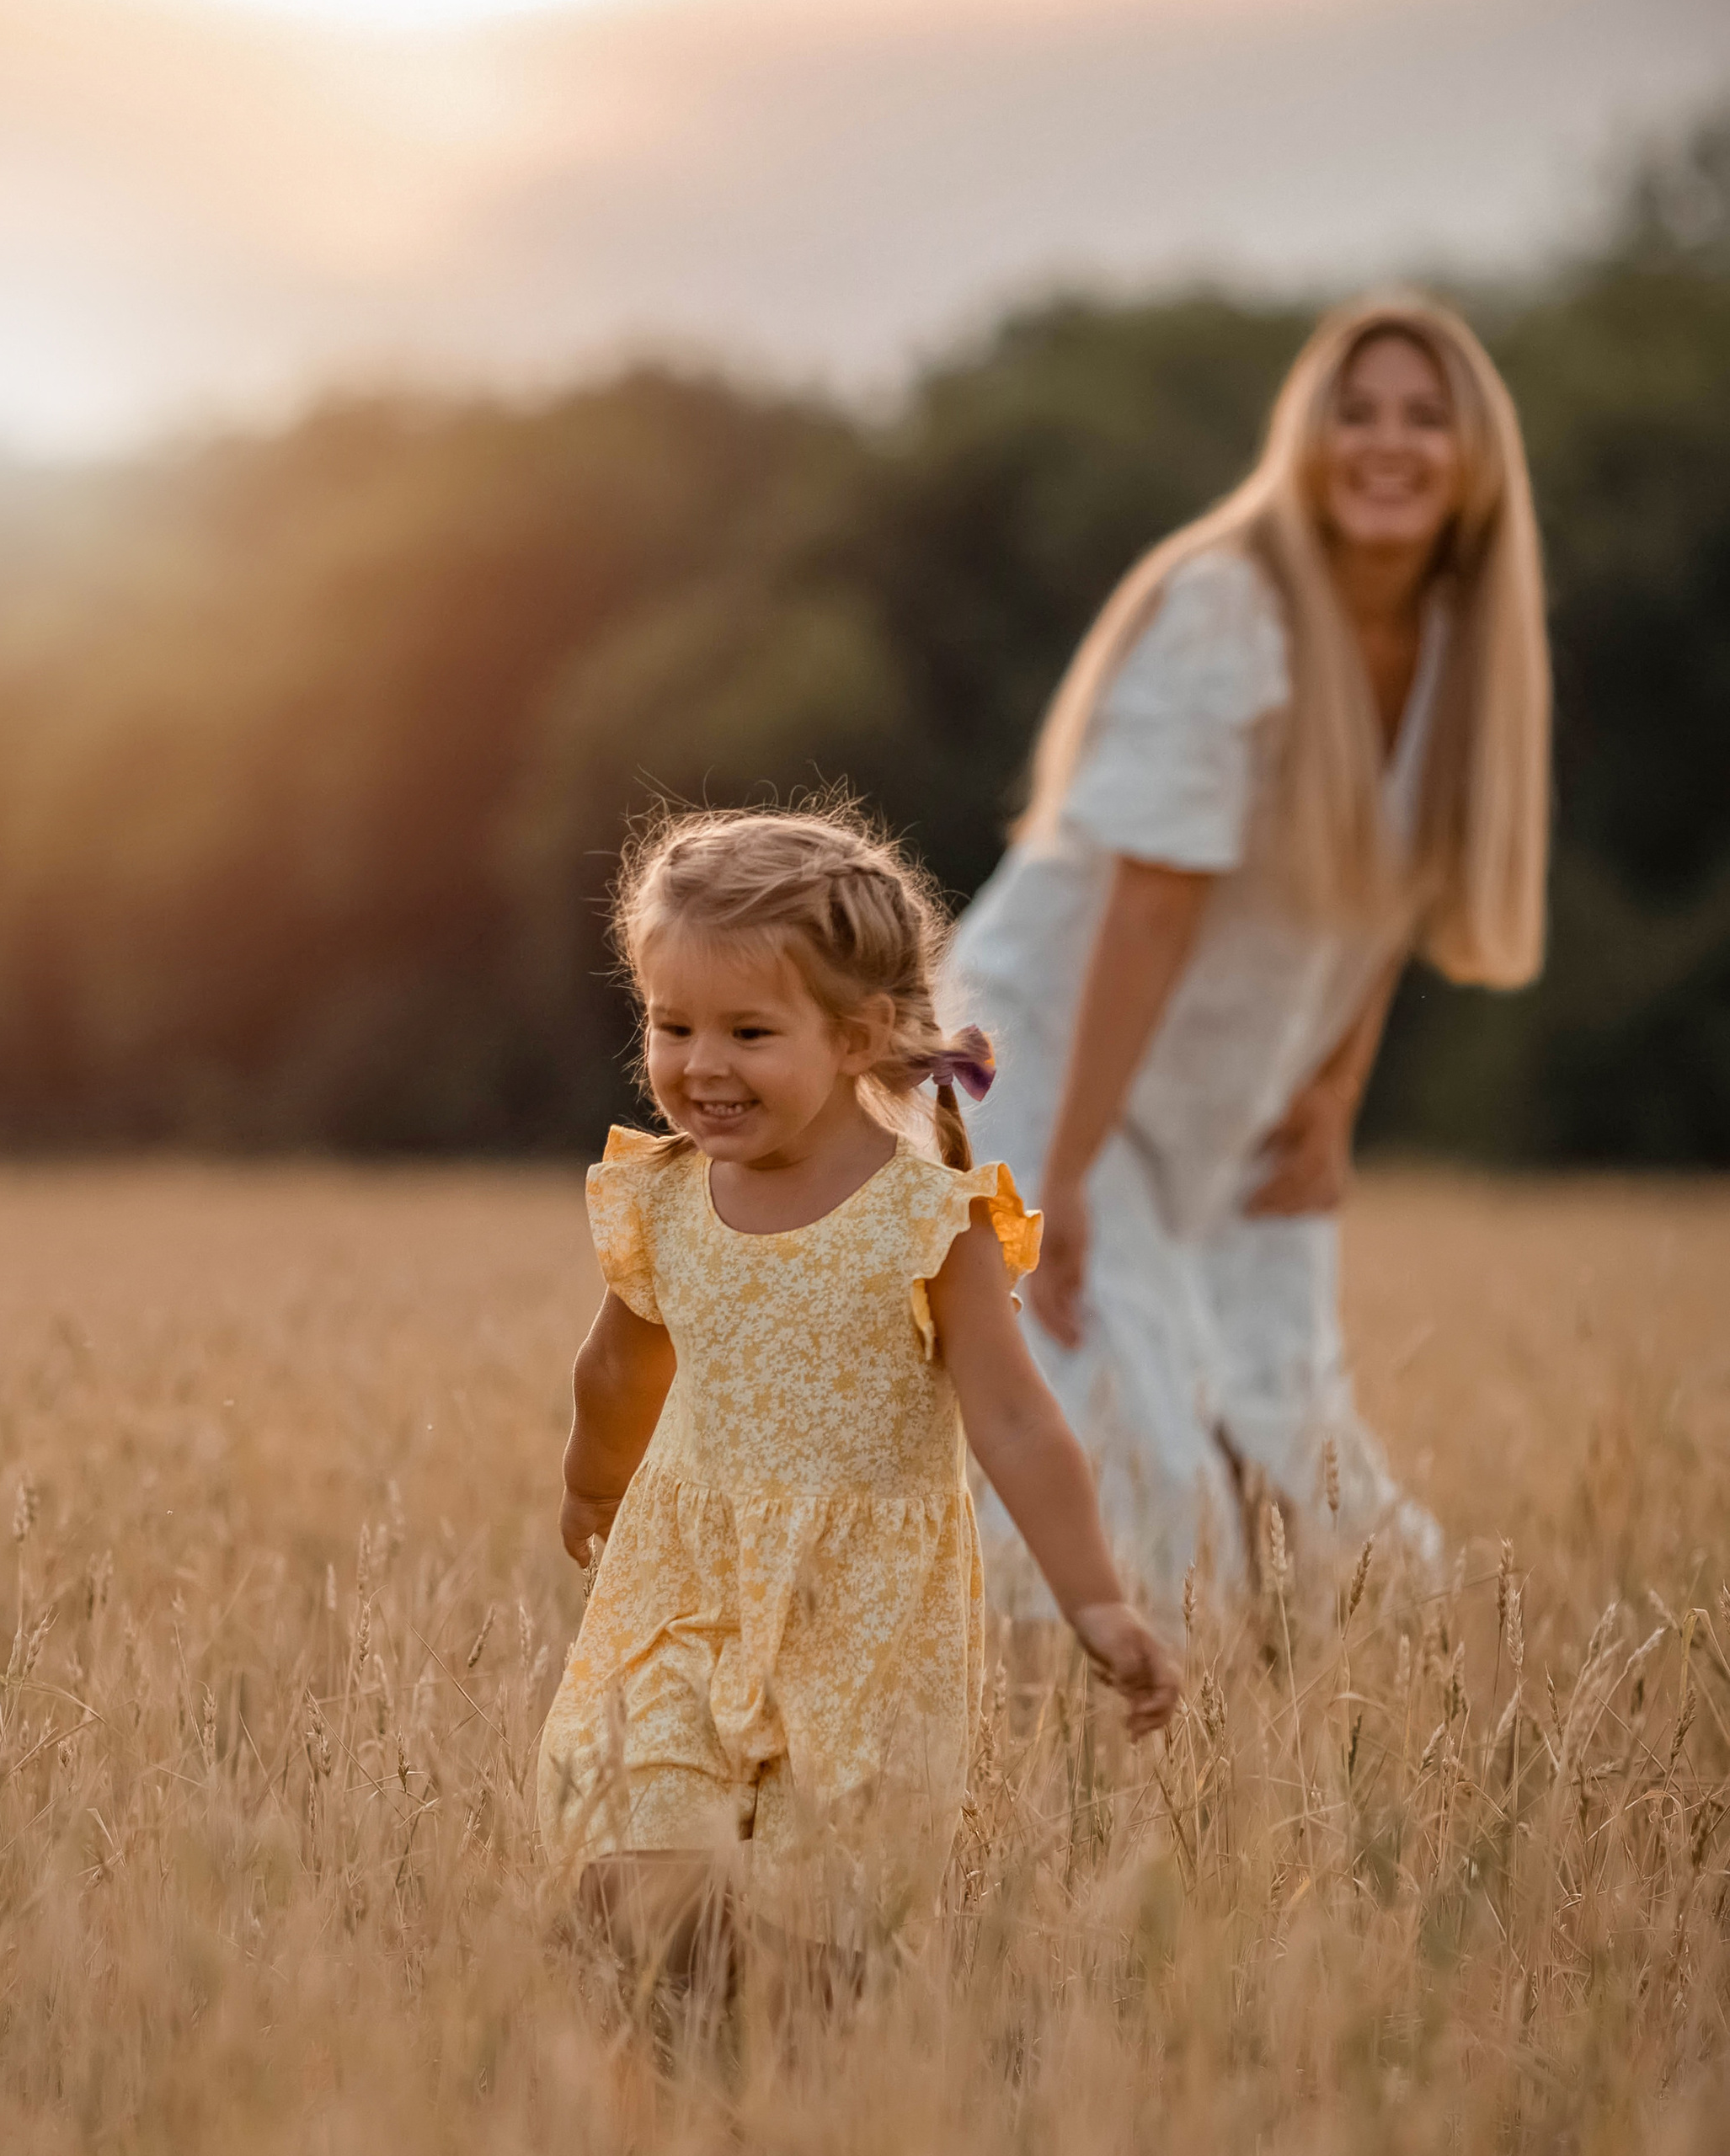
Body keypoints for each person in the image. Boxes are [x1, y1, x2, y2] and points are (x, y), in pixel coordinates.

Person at [949, 292, 1551, 1607]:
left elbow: (1380, 910)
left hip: (1232, 1094)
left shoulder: (1464, 653)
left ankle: (1293, 1734)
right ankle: (1041, 1759)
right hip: (1046, 1067)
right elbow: (1150, 908)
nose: (1388, 443)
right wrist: (1059, 1177)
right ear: (1307, 440)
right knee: (1127, 1451)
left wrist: (1331, 1099)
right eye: (1357, 411)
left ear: (1475, 458)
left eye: (1424, 416)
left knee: (1304, 1450)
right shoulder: (1230, 608)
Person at [536, 806, 1178, 1986]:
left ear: (859, 1037)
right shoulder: (664, 1198)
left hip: (866, 1617)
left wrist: (1096, 1603)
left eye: (747, 1030)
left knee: (814, 1920)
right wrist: (591, 1482)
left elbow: (1019, 1420)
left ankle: (800, 2066)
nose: (700, 1064)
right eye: (671, 1024)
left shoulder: (930, 1221)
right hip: (684, 1583)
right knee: (636, 1833)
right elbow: (620, 1364)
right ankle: (637, 2044)